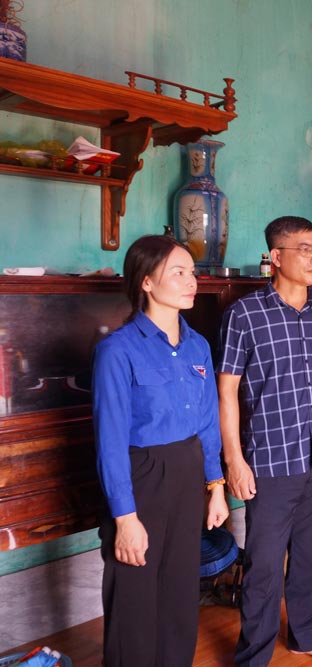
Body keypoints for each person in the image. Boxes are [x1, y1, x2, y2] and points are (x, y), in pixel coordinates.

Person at [218, 216, 312, 667]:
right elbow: (226, 391)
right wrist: (234, 461)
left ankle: (306, 636)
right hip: (271, 461)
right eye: (305, 249)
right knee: (263, 565)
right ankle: (253, 656)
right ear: (276, 258)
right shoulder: (243, 315)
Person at [92, 235, 229, 667]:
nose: (192, 281)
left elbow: (208, 421)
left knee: (180, 592)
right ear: (147, 282)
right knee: (133, 594)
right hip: (141, 477)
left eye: (192, 272)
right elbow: (110, 441)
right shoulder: (117, 351)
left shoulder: (198, 346)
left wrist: (217, 485)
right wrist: (125, 518)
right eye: (179, 273)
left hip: (189, 474)